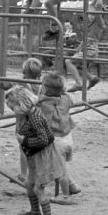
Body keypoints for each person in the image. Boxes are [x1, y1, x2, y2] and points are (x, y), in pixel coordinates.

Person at [6, 85, 65, 215]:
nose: (13, 111)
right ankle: (35, 212)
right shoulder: (28, 115)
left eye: (13, 107)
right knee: (29, 184)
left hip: (42, 156)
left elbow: (45, 139)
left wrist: (25, 140)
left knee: (38, 188)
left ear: (22, 104)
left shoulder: (36, 118)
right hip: (33, 155)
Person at [0, 57, 44, 183]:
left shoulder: (20, 84)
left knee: (24, 149)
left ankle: (24, 174)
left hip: (23, 122)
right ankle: (39, 174)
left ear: (24, 71)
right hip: (39, 119)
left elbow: (4, 83)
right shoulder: (41, 86)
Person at [36, 72, 81, 204]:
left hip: (56, 141)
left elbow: (34, 102)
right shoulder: (66, 99)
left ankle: (66, 196)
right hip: (67, 137)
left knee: (59, 171)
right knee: (59, 165)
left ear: (46, 89)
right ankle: (72, 186)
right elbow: (70, 100)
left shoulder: (43, 103)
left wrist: (41, 95)